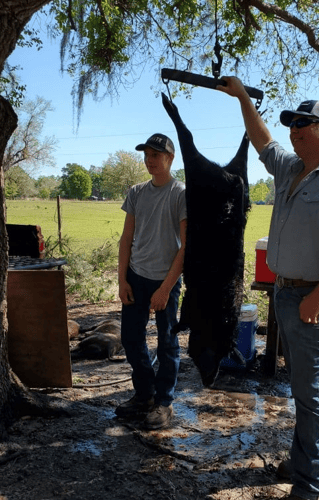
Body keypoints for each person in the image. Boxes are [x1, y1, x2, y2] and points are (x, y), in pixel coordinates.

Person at [218, 78, 319, 500]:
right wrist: (242, 99)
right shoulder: (291, 169)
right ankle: (316, 456)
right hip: (286, 293)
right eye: (291, 124)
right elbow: (263, 141)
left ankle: (308, 481)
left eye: (303, 124)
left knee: (309, 390)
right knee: (304, 385)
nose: (294, 131)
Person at [115, 133, 187, 430]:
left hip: (164, 281)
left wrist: (166, 287)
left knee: (167, 343)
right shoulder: (136, 192)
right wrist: (122, 280)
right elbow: (126, 237)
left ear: (170, 159)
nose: (150, 160)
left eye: (156, 155)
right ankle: (144, 394)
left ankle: (164, 403)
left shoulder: (180, 193)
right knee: (131, 339)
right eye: (146, 155)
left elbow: (186, 246)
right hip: (135, 276)